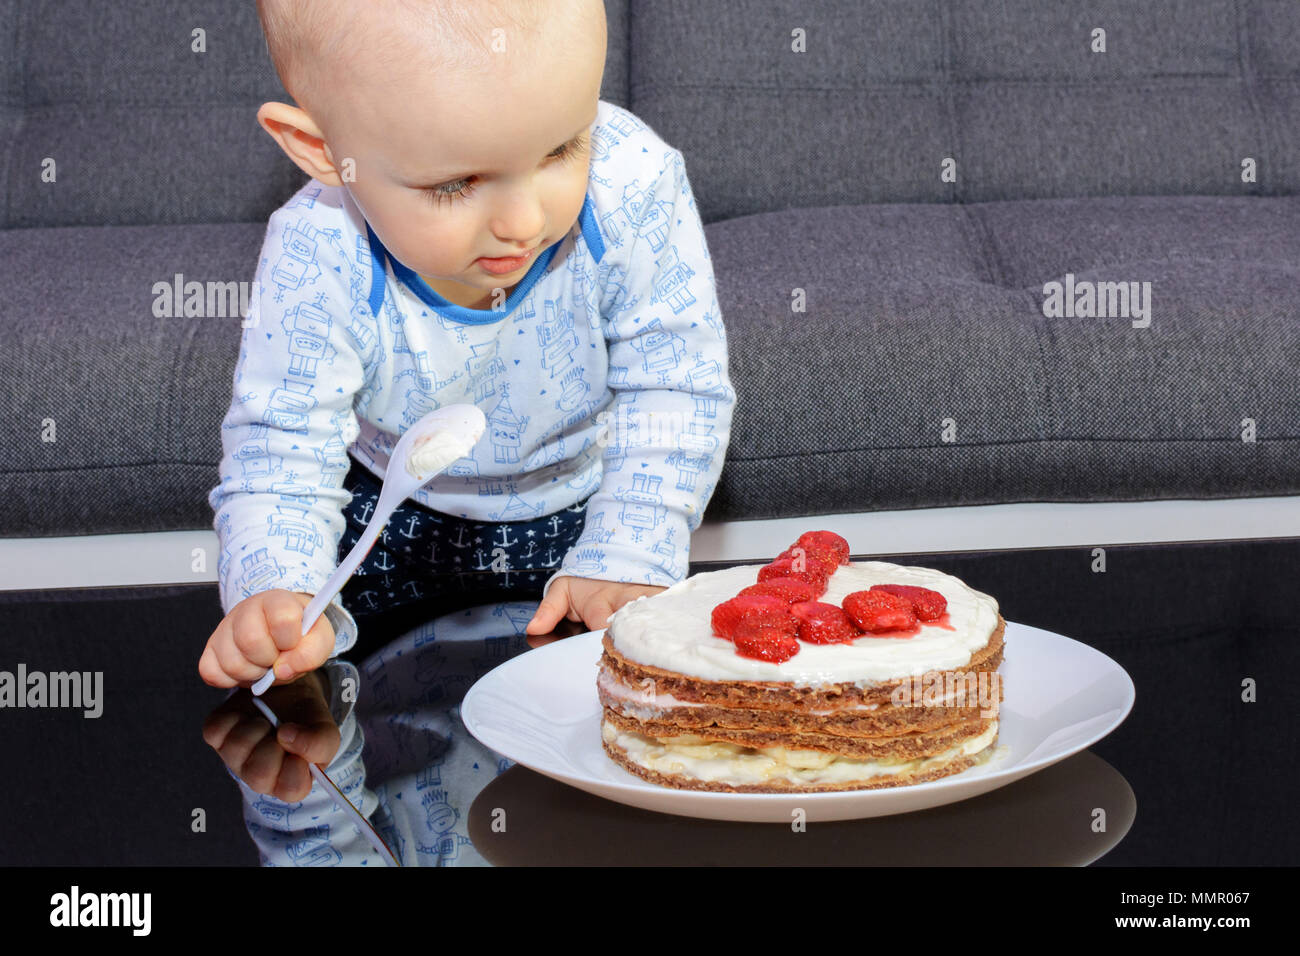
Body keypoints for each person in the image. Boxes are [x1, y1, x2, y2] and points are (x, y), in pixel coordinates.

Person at [198, 0, 735, 698]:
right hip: (380, 530)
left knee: (586, 739)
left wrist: (631, 548)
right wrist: (277, 585)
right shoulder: (318, 249)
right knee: (367, 734)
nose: (524, 221)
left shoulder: (633, 178)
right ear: (323, 150)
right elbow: (282, 445)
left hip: (591, 513)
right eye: (455, 184)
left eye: (561, 150)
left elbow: (675, 385)